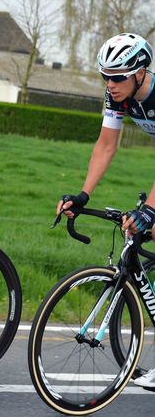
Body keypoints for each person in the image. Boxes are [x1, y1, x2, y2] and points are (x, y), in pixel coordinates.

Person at [56, 32, 154, 387]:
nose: (110, 84)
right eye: (105, 77)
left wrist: (151, 210)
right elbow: (106, 146)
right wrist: (83, 194)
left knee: (148, 219)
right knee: (141, 227)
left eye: (118, 77)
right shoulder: (116, 97)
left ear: (141, 73)